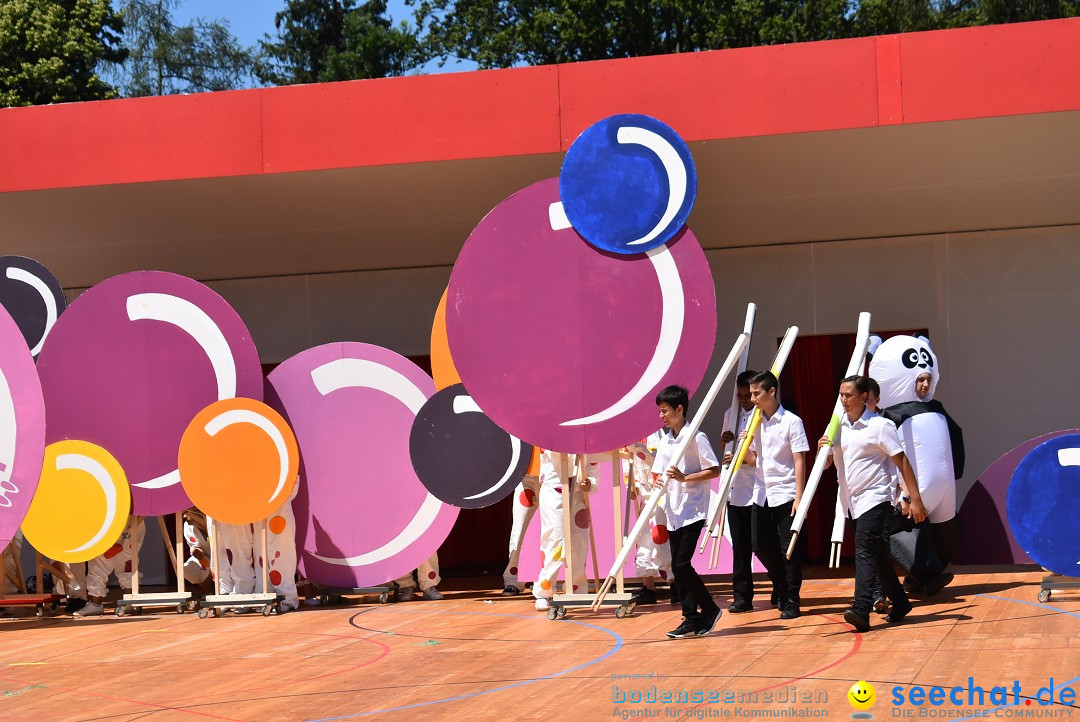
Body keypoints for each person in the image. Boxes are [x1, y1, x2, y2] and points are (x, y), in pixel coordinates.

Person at [824, 375, 928, 633]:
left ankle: (861, 608)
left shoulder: (880, 426)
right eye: (841, 394)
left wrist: (914, 498)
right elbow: (827, 464)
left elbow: (902, 461)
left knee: (864, 550)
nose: (843, 399)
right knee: (879, 555)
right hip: (851, 500)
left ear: (863, 397)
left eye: (848, 395)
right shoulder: (838, 427)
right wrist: (822, 450)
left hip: (876, 497)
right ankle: (901, 602)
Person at [652, 385, 722, 639]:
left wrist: (685, 478)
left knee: (682, 565)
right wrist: (658, 480)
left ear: (679, 409)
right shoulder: (666, 439)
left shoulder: (695, 436)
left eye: (665, 411)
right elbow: (658, 471)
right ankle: (690, 617)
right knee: (677, 566)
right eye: (660, 411)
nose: (662, 416)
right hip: (673, 509)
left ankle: (711, 608)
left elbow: (714, 469)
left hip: (692, 509)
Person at [741, 370, 809, 620]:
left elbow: (799, 459)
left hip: (787, 491)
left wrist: (800, 496)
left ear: (771, 391)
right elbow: (753, 460)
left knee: (788, 547)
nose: (753, 398)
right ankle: (780, 583)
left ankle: (792, 598)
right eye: (751, 394)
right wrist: (744, 446)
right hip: (761, 491)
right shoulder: (753, 423)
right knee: (759, 545)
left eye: (756, 393)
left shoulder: (792, 421)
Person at [718, 369, 760, 613]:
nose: (745, 399)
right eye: (741, 395)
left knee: (762, 543)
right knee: (740, 545)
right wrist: (724, 441)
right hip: (735, 489)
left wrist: (740, 457)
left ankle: (780, 585)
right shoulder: (730, 414)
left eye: (749, 395)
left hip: (755, 488)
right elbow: (726, 449)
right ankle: (742, 595)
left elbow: (757, 456)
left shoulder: (761, 416)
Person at [534, 450, 598, 611]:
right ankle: (545, 590)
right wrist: (575, 447)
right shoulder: (550, 432)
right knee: (556, 541)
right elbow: (555, 452)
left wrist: (590, 482)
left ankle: (577, 588)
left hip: (577, 494)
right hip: (554, 490)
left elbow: (592, 465)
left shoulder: (586, 436)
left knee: (579, 541)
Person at [627, 434, 672, 605]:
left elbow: (658, 463)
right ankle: (648, 588)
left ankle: (674, 583)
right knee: (644, 540)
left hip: (660, 495)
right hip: (644, 498)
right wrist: (632, 485)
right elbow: (628, 465)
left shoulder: (659, 436)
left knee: (660, 538)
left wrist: (639, 449)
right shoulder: (630, 439)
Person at [75, 516, 144, 617]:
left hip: (129, 517)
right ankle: (97, 603)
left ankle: (129, 601)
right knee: (101, 560)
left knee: (126, 562)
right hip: (110, 516)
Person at [502, 470, 541, 595]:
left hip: (553, 477)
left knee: (552, 531)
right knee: (521, 530)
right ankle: (513, 580)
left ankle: (546, 580)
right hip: (527, 478)